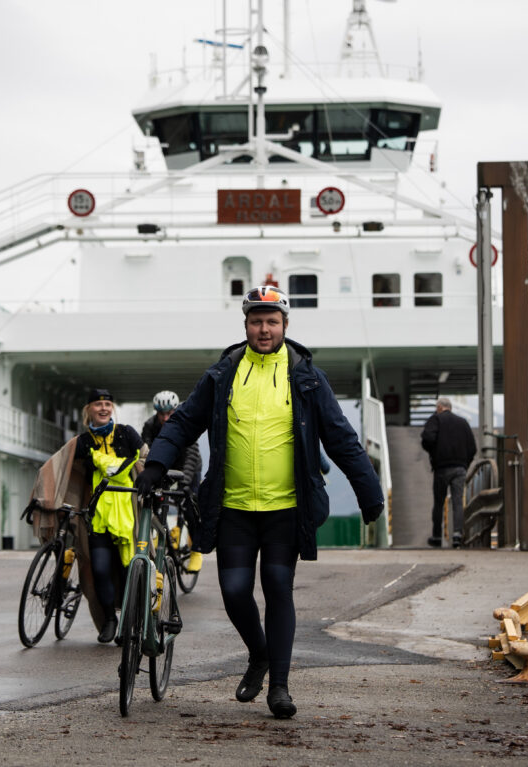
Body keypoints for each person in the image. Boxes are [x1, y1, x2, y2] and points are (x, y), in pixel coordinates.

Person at [134, 285, 384, 719]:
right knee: (234, 591)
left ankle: (280, 689)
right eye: (256, 321)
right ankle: (259, 654)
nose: (264, 329)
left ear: (285, 325)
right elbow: (185, 422)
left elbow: (341, 437)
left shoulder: (306, 378)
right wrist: (157, 462)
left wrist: (368, 490)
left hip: (286, 507)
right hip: (233, 506)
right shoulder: (223, 374)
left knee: (276, 588)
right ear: (246, 325)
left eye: (272, 322)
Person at [79, 388, 143, 643]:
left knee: (130, 570)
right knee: (101, 570)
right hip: (99, 516)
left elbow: (145, 459)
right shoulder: (83, 442)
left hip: (127, 513)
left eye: (107, 404)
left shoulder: (127, 433)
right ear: (89, 410)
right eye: (98, 404)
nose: (104, 408)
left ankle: (130, 622)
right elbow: (67, 473)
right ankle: (109, 620)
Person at [141, 389, 204, 572]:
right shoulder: (150, 426)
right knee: (156, 501)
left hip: (188, 466)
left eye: (170, 413)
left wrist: (184, 484)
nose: (166, 418)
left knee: (189, 504)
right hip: (165, 466)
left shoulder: (184, 423)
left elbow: (191, 457)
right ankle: (161, 537)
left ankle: (196, 550)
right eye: (162, 414)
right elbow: (146, 451)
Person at [420, 397, 478, 548]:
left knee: (439, 502)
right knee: (458, 501)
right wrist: (465, 464)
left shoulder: (436, 419)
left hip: (442, 468)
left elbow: (427, 438)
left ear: (439, 407)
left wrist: (434, 452)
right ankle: (457, 535)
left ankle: (437, 537)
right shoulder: (463, 422)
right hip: (460, 468)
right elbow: (472, 448)